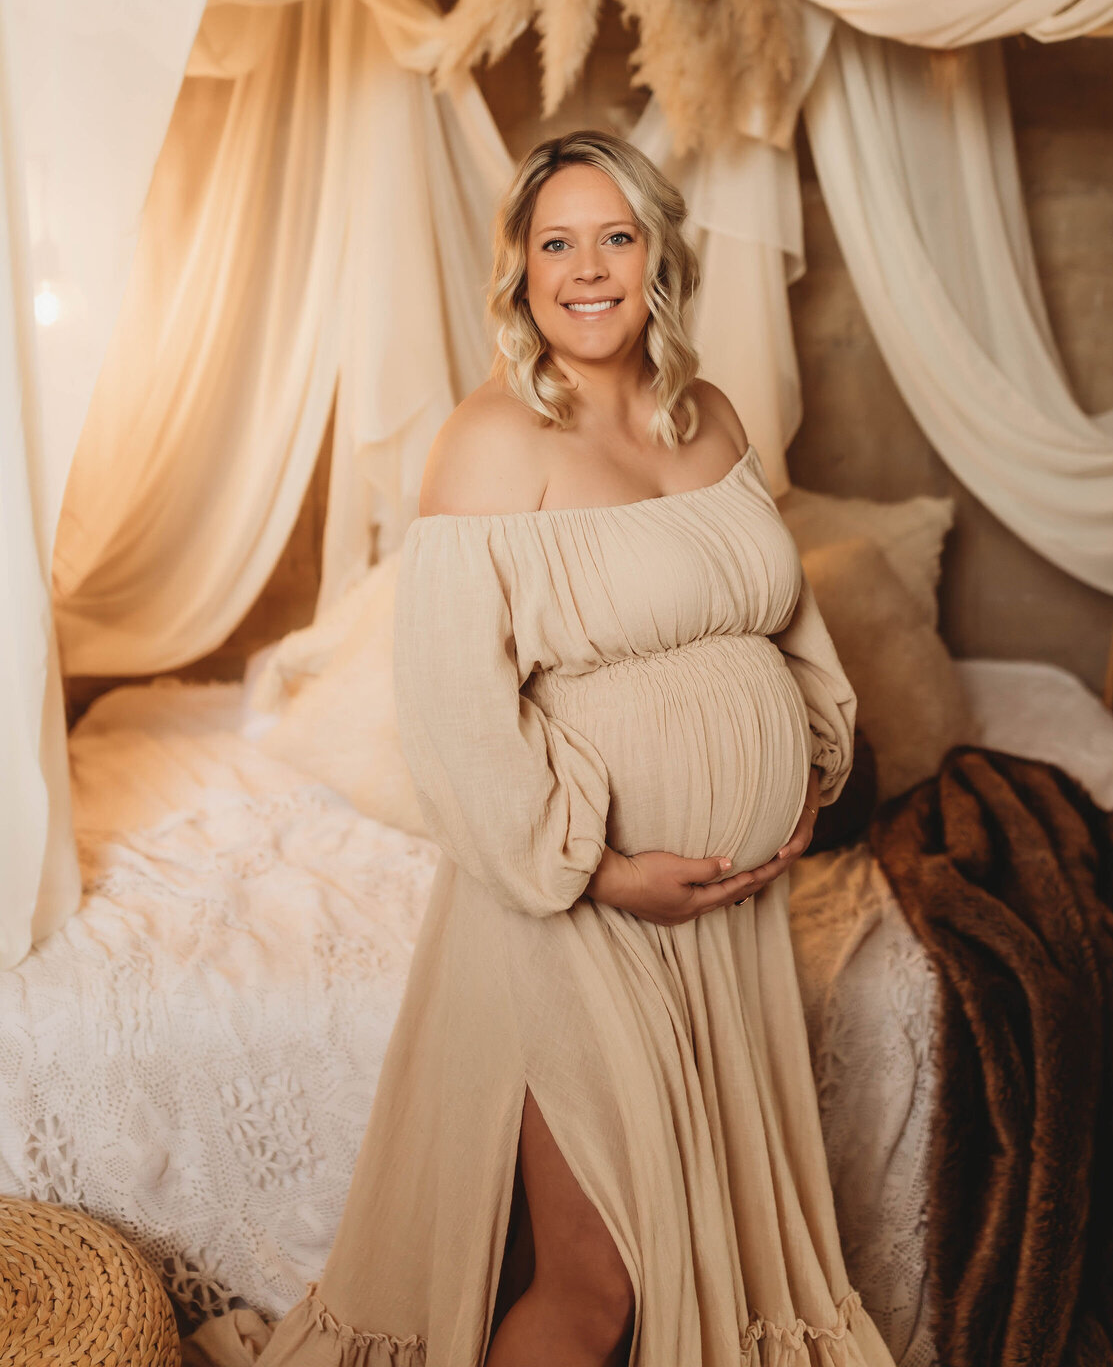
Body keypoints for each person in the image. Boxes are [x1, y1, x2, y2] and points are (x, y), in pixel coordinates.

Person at [250, 131, 895, 1367]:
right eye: (558, 242)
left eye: (616, 236)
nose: (587, 269)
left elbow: (784, 610)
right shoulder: (489, 442)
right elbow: (454, 716)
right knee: (596, 1284)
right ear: (521, 270)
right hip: (578, 915)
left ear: (657, 254)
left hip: (729, 917)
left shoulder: (708, 417)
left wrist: (809, 764)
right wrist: (599, 874)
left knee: (696, 1264)